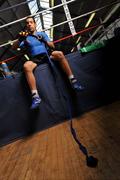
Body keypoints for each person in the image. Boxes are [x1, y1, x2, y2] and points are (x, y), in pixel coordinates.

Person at [12, 16, 84, 109]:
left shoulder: (42, 34)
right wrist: (19, 39)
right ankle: (36, 97)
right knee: (26, 66)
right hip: (35, 59)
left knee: (60, 54)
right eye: (27, 23)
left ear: (35, 24)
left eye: (31, 22)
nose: (29, 24)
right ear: (26, 26)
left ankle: (73, 81)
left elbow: (52, 46)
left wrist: (44, 39)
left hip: (47, 55)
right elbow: (14, 47)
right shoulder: (25, 38)